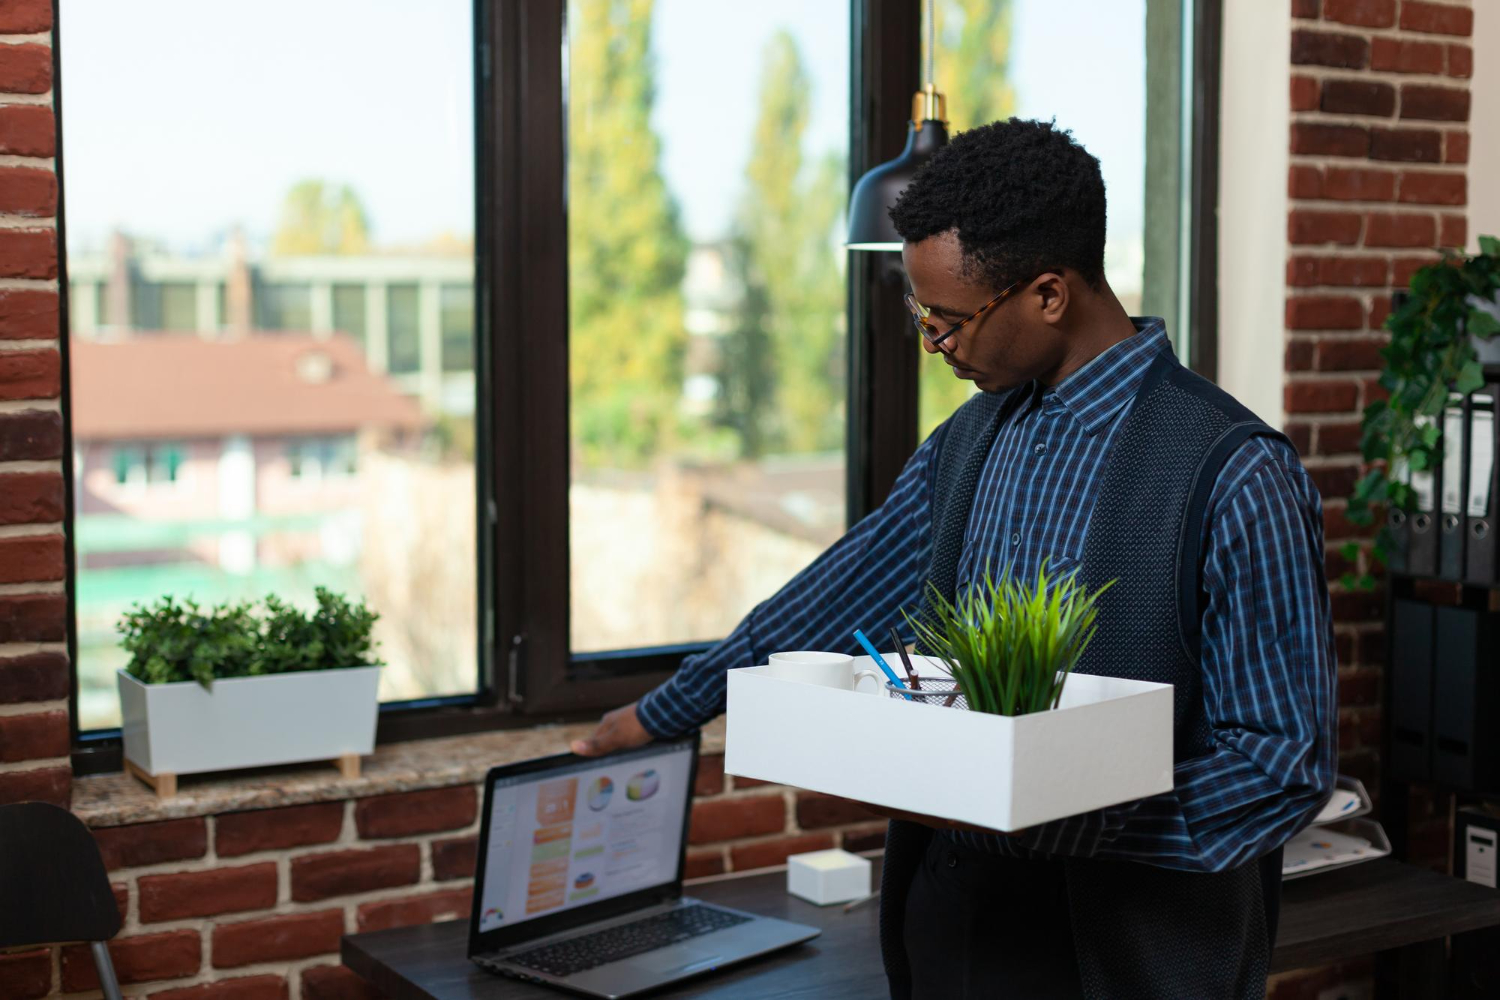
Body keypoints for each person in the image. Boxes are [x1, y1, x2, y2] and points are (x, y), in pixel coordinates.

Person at [572, 118, 1336, 999]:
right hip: (953, 927)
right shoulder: (967, 442)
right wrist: (668, 711)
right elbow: (841, 592)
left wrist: (1067, 823)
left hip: (1134, 947)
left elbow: (1281, 762)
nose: (935, 345)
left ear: (1048, 294)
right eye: (919, 316)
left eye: (950, 320)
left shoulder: (1236, 473)